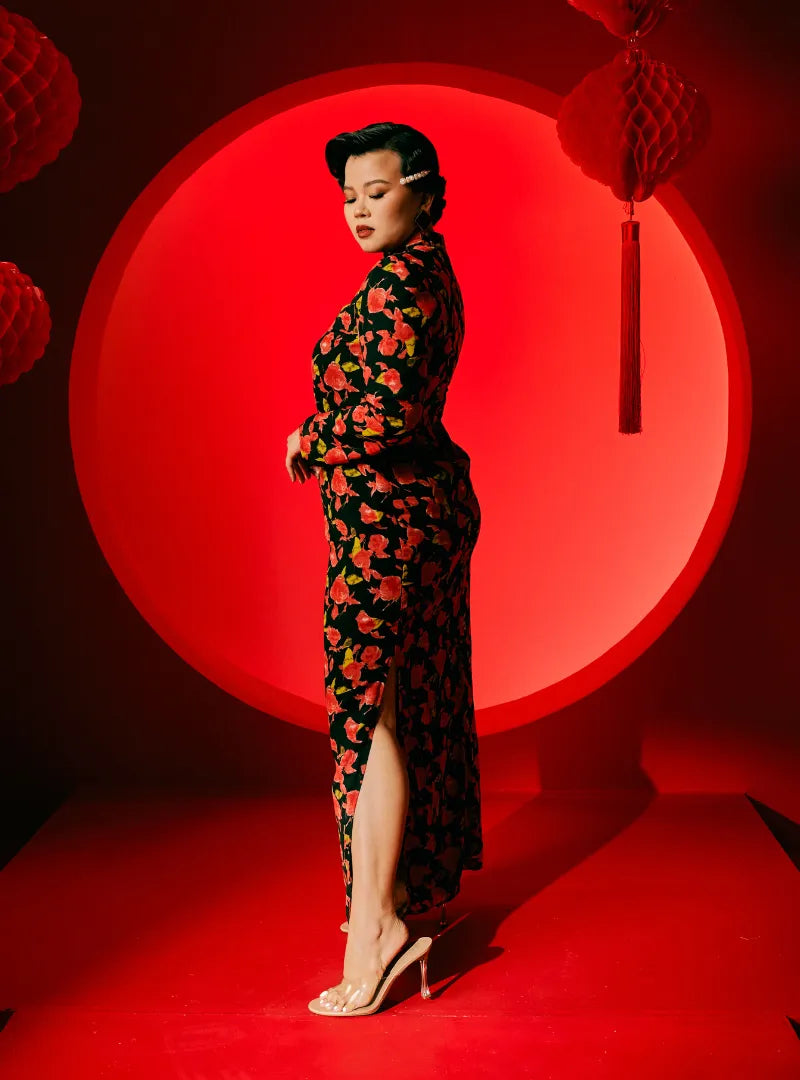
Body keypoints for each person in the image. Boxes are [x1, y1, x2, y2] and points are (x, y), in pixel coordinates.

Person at [285, 121, 483, 1016]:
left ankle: (378, 928)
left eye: (378, 191)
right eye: (349, 196)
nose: (360, 209)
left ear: (425, 191)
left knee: (374, 720)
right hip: (406, 517)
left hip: (390, 526)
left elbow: (387, 413)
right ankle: (393, 899)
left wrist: (305, 439)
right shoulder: (414, 272)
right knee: (404, 706)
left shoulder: (405, 285)